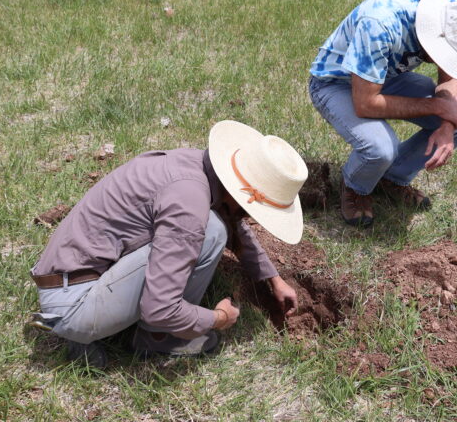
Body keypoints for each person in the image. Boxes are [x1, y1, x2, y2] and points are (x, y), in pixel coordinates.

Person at [29, 120, 307, 368]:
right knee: (211, 233)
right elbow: (159, 308)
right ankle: (158, 337)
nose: (249, 218)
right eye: (251, 210)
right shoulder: (188, 204)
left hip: (68, 275)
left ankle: (108, 322)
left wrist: (273, 279)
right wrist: (218, 318)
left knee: (214, 226)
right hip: (72, 304)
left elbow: (233, 220)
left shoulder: (196, 167)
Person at [308, 0, 457, 227]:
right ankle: (356, 186)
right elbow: (366, 104)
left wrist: (448, 123)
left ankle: (390, 178)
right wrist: (436, 106)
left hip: (387, 78)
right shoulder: (379, 24)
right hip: (337, 83)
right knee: (381, 148)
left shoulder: (455, 13)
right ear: (436, 37)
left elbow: (451, 78)